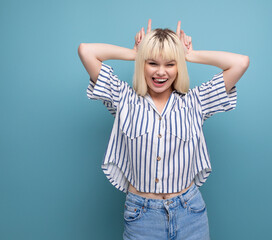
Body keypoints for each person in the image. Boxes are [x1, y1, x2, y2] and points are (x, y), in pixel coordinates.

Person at [78, 19, 249, 240]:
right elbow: (86, 51)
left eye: (170, 64)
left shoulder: (195, 101)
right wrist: (134, 53)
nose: (161, 72)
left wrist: (190, 55)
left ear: (179, 67)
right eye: (152, 63)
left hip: (190, 212)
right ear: (143, 64)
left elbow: (241, 63)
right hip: (141, 216)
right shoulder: (124, 99)